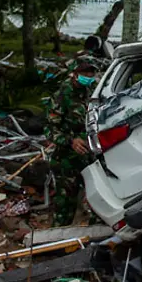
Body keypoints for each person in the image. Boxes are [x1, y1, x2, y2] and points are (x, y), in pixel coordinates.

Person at [45, 57, 98, 225]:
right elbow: (50, 129)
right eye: (85, 72)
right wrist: (71, 141)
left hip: (90, 156)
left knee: (97, 198)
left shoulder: (92, 91)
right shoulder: (62, 94)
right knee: (65, 204)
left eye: (91, 73)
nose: (89, 76)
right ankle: (56, 241)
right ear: (75, 74)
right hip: (67, 159)